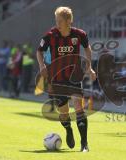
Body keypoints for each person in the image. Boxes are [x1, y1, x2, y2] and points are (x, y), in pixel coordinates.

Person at [36, 6, 96, 152]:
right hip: (57, 78)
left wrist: (89, 67)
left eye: (60, 21)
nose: (57, 23)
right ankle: (69, 130)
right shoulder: (50, 35)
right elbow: (39, 51)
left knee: (78, 107)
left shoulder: (79, 35)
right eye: (56, 20)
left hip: (74, 77)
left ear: (69, 20)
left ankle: (84, 144)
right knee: (63, 112)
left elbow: (87, 48)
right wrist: (42, 66)